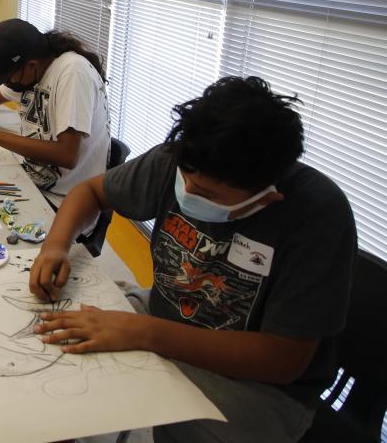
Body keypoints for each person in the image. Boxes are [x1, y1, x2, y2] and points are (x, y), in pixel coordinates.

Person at [29, 76, 356, 443]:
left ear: (266, 197)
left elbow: (282, 360)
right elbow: (90, 192)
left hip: (255, 383)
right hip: (165, 315)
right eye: (187, 181)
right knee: (47, 359)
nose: (188, 191)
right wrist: (55, 246)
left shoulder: (317, 214)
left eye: (206, 193)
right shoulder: (185, 159)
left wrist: (145, 333)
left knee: (125, 397)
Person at [0, 19, 110, 210]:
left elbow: (68, 155)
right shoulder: (32, 72)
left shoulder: (73, 73)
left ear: (31, 65)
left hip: (67, 202)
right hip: (32, 181)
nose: (6, 83)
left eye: (7, 77)